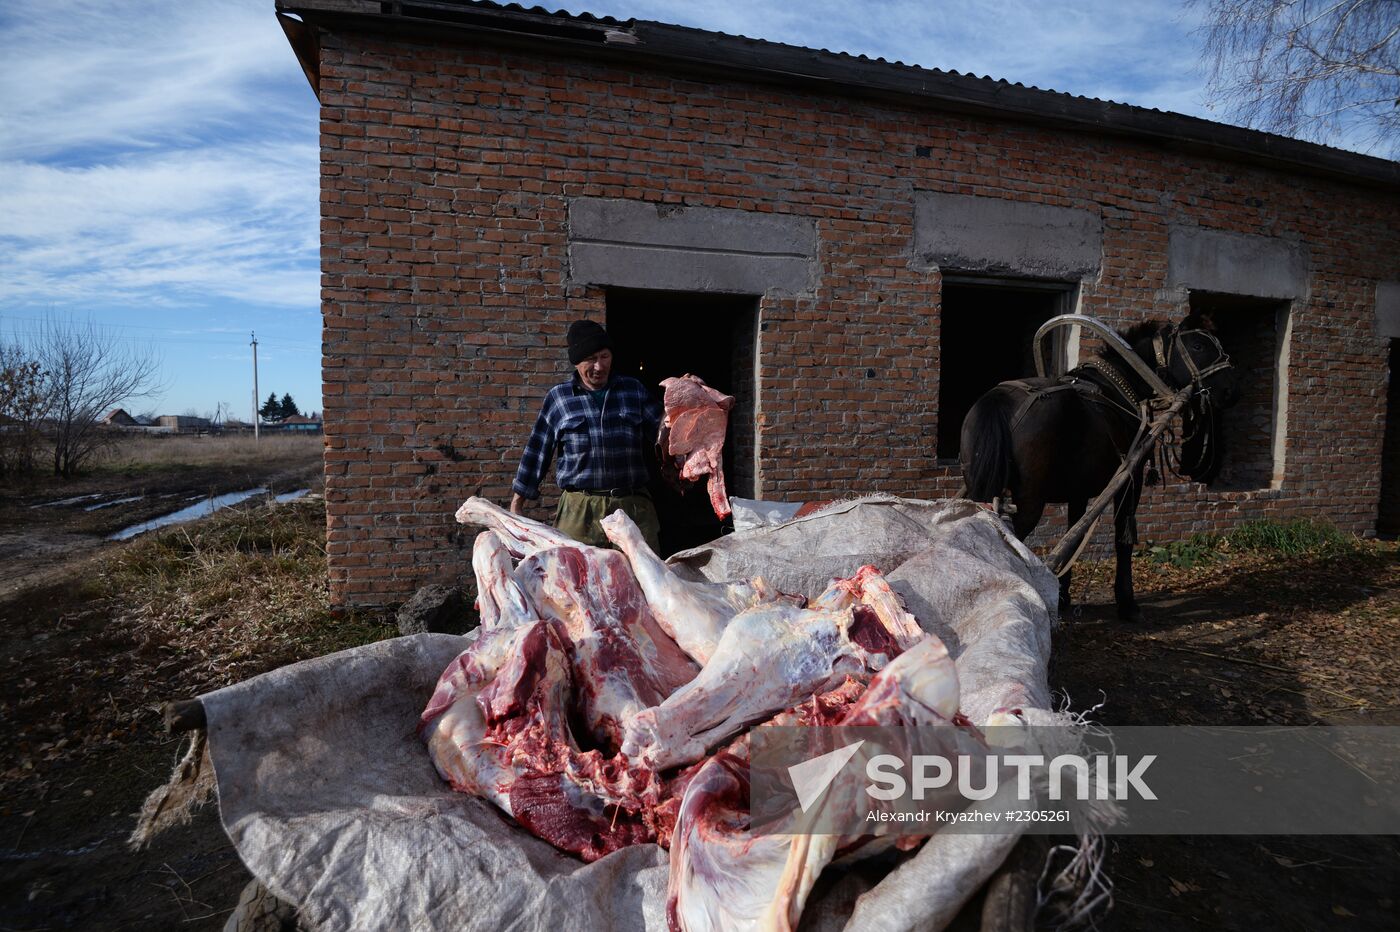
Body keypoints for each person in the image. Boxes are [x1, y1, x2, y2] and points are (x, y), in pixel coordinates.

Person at [510, 319, 664, 551]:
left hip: (631, 508)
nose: (599, 366)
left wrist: (686, 407)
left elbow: (664, 436)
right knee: (577, 580)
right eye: (590, 359)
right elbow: (537, 450)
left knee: (641, 581)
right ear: (576, 362)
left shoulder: (633, 390)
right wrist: (516, 506)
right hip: (579, 511)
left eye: (604, 356)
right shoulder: (559, 398)